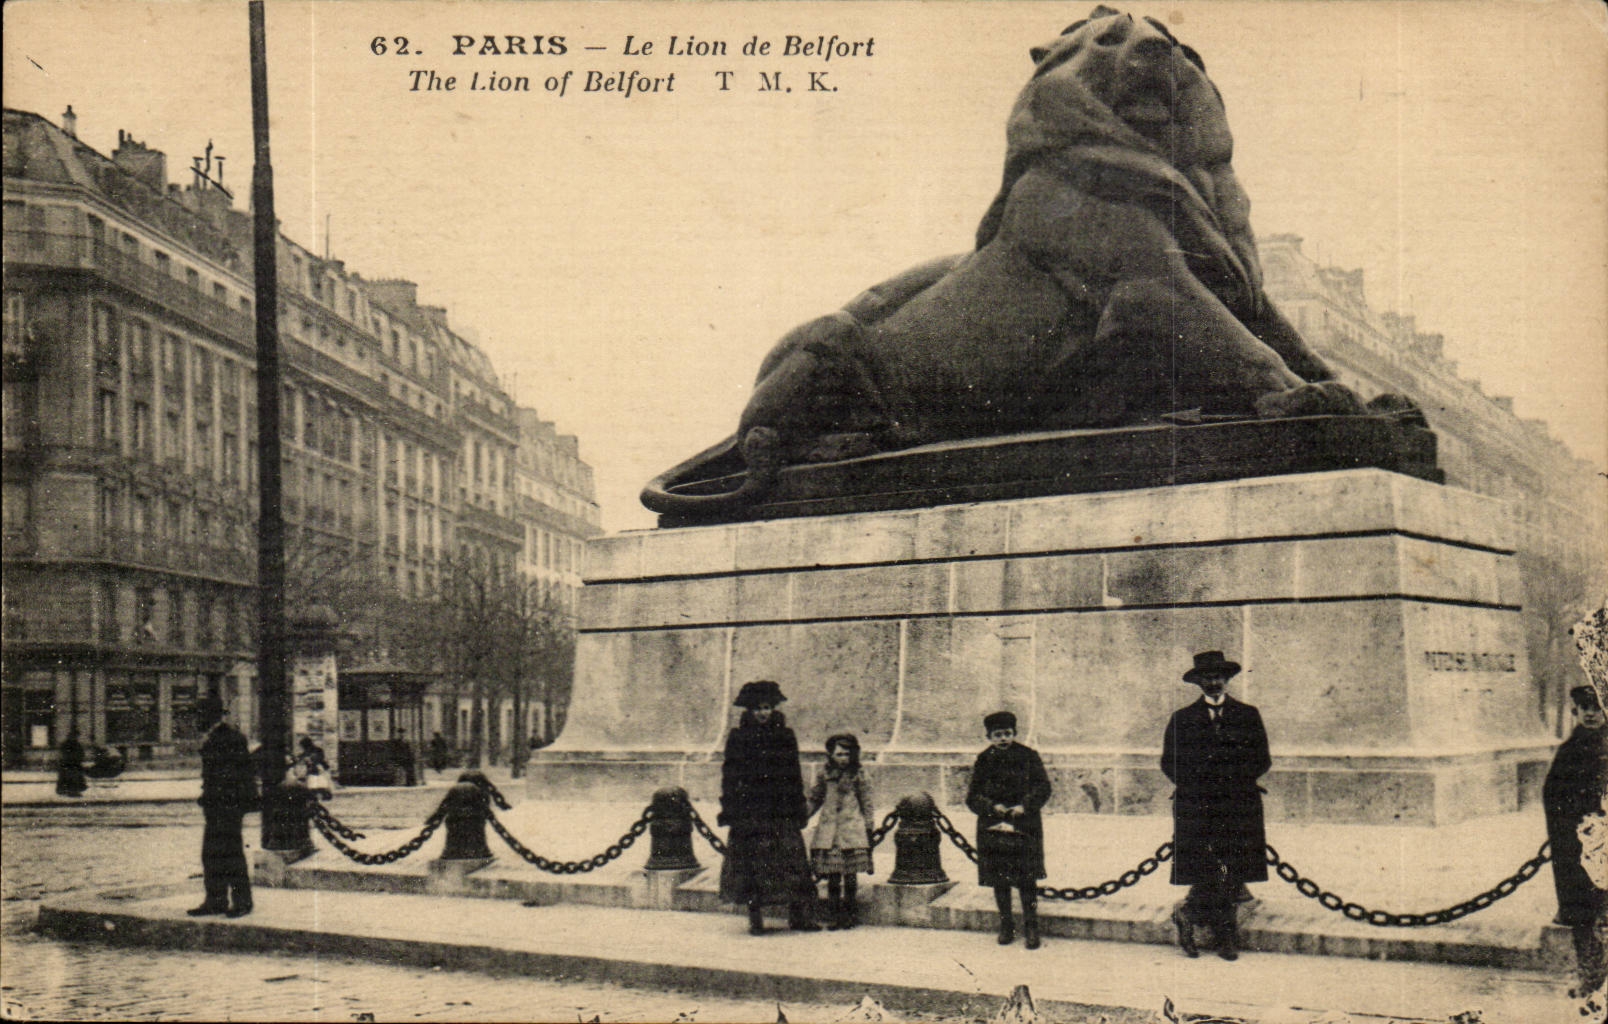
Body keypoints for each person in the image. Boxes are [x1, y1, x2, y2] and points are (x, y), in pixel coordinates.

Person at [1161, 650, 1271, 961]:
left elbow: (1262, 758)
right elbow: (1170, 762)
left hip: (1237, 804)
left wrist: (1234, 782)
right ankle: (1216, 930)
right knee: (1206, 867)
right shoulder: (1182, 719)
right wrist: (1198, 786)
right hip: (1198, 805)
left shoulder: (1247, 715)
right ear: (1198, 682)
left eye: (1218, 677)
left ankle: (1205, 924)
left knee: (1231, 866)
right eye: (1207, 678)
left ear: (1227, 679)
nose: (1213, 683)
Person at [717, 680, 820, 934]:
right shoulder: (738, 737)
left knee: (792, 862)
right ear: (749, 710)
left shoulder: (785, 736)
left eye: (767, 707)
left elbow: (794, 773)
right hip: (751, 811)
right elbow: (730, 775)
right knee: (754, 865)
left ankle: (798, 917)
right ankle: (756, 918)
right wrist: (731, 807)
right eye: (757, 708)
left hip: (781, 809)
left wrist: (798, 805)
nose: (763, 713)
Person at [965, 710, 1052, 949]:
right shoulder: (984, 760)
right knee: (999, 879)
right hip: (993, 826)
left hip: (1025, 825)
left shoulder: (1028, 756)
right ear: (989, 737)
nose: (1003, 738)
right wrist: (992, 807)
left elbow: (1043, 787)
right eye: (997, 735)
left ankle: (1031, 927)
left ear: (1014, 733)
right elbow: (972, 796)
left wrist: (1025, 806)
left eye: (1007, 733)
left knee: (1027, 879)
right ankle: (1006, 925)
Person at [1544, 684, 1608, 997]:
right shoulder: (1570, 750)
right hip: (1580, 847)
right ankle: (1591, 980)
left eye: (1597, 708)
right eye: (1585, 709)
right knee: (1584, 915)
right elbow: (1552, 794)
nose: (1591, 714)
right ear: (1576, 711)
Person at [190, 695, 257, 918]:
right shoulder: (218, 737)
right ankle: (215, 900)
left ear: (210, 716)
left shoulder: (229, 738)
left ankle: (242, 902)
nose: (196, 720)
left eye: (199, 715)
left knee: (231, 854)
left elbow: (237, 775)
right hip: (218, 806)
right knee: (212, 854)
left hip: (228, 806)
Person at [806, 733, 876, 930]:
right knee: (833, 877)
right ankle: (835, 916)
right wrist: (803, 816)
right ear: (831, 755)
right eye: (839, 754)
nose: (843, 758)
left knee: (850, 877)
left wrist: (868, 827)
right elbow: (815, 798)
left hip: (851, 831)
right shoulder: (825, 774)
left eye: (847, 754)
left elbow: (867, 802)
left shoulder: (859, 774)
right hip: (830, 833)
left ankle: (850, 915)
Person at [55, 728, 87, 797]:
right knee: (71, 778)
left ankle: (71, 791)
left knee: (73, 778)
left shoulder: (76, 744)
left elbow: (81, 753)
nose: (76, 738)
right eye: (75, 736)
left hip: (74, 764)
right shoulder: (67, 744)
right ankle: (72, 792)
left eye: (76, 736)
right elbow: (64, 753)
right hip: (69, 764)